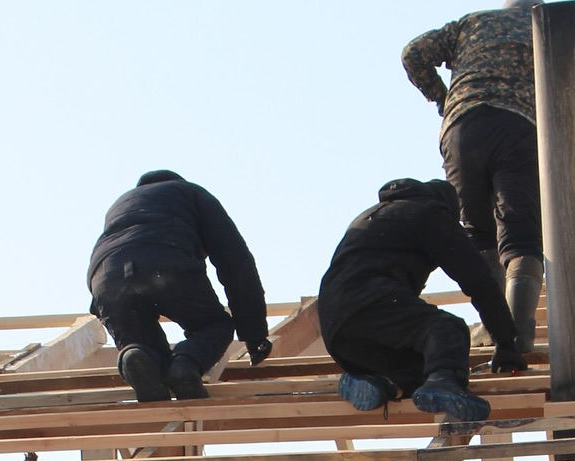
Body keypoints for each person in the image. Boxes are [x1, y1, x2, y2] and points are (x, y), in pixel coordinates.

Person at [402, 0, 546, 353]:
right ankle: (519, 337)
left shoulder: (473, 23)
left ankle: (496, 330)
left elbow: (413, 53)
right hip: (518, 127)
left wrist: (443, 97)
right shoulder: (545, 30)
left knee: (479, 236)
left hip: (462, 129)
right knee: (522, 238)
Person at [317, 178, 526, 423]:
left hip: (335, 326)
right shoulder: (430, 212)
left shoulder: (372, 215)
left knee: (421, 366)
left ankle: (377, 381)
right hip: (368, 300)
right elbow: (478, 280)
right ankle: (444, 382)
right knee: (447, 330)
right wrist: (506, 341)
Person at [87, 170, 272, 402]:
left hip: (106, 279)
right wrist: (254, 334)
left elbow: (115, 252)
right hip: (164, 261)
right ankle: (185, 366)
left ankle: (135, 353)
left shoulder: (119, 206)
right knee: (215, 326)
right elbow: (235, 261)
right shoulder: (191, 193)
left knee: (145, 351)